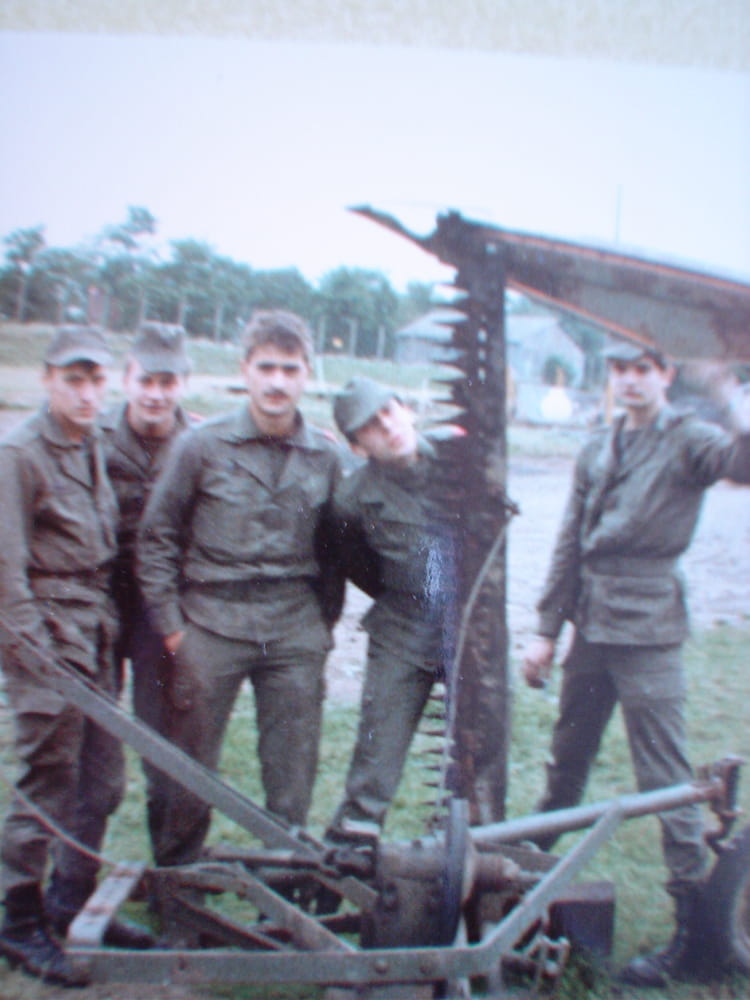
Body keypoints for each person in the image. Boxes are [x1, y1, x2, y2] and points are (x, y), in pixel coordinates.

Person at [521, 342, 750, 987]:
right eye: (618, 369)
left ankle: (695, 936)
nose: (628, 381)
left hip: (649, 627)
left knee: (665, 778)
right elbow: (569, 538)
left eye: (642, 370)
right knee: (566, 761)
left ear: (666, 376)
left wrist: (736, 398)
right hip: (591, 624)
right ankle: (513, 880)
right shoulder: (599, 444)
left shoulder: (689, 438)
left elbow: (742, 462)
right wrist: (545, 630)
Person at [136, 310, 343, 880]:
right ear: (244, 371)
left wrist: (321, 627)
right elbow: (156, 538)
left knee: (292, 766)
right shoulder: (201, 446)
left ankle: (284, 888)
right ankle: (178, 888)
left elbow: (340, 548)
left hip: (294, 628)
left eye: (290, 368)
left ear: (307, 375)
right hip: (210, 624)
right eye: (266, 367)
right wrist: (175, 627)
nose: (278, 381)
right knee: (189, 766)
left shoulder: (327, 457)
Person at [0, 325, 152, 988]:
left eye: (97, 380)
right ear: (47, 380)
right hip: (46, 639)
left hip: (93, 634)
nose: (88, 393)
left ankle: (68, 901)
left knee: (101, 782)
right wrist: (36, 656)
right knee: (45, 784)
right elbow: (4, 572)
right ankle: (17, 918)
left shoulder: (87, 441)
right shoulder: (19, 454)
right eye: (74, 379)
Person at [325, 376, 459, 841]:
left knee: (480, 772)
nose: (387, 426)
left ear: (407, 408)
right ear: (358, 446)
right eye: (370, 426)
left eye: (389, 410)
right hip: (403, 635)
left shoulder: (463, 458)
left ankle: (477, 880)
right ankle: (338, 880)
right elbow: (362, 569)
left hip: (472, 632)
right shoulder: (352, 500)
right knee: (373, 775)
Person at [100, 322, 194, 858]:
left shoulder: (200, 443)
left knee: (165, 752)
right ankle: (70, 887)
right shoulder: (95, 439)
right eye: (144, 380)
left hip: (160, 612)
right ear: (126, 378)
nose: (155, 394)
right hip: (99, 605)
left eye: (167, 381)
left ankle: (172, 883)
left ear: (184, 382)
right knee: (89, 753)